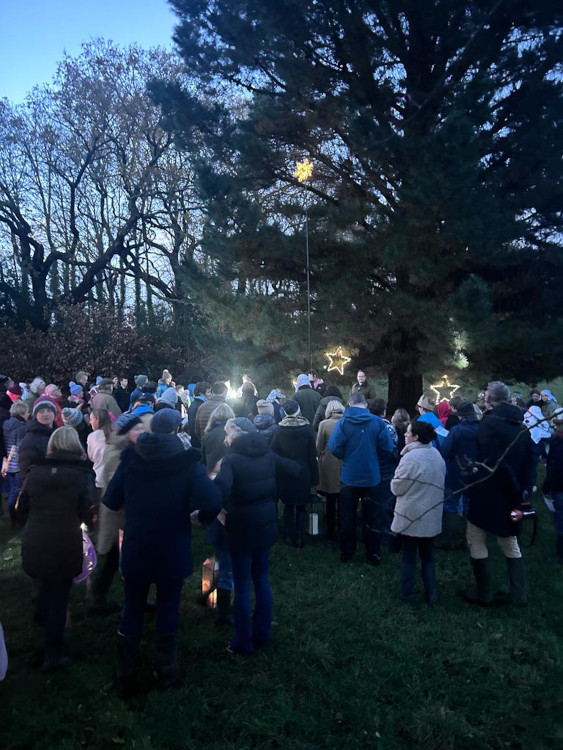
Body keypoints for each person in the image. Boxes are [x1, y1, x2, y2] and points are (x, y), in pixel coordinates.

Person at [103, 408, 222, 691]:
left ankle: (125, 672)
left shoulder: (130, 459)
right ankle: (166, 669)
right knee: (168, 604)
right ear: (176, 428)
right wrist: (199, 518)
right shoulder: (187, 461)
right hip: (172, 543)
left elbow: (111, 500)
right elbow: (213, 500)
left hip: (139, 542)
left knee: (133, 605)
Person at [213, 417, 300, 655]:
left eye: (228, 433)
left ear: (237, 435)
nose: (225, 438)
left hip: (240, 529)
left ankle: (242, 642)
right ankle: (262, 633)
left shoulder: (230, 461)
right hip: (265, 526)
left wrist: (212, 508)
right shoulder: (267, 454)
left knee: (242, 585)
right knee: (261, 579)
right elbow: (294, 469)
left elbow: (219, 492)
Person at [18, 426, 95, 671]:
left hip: (35, 539)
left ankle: (41, 639)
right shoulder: (80, 475)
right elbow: (87, 510)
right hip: (63, 540)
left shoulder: (34, 472)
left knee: (41, 591)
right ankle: (53, 653)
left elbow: (20, 509)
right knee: (59, 597)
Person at [462, 381, 534, 607]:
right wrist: (524, 487)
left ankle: (483, 593)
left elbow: (487, 461)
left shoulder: (489, 424)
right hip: (512, 496)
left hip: (489, 491)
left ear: (489, 399)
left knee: (475, 536)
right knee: (508, 540)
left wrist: (470, 479)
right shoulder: (521, 426)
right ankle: (518, 594)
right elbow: (531, 459)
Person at [89, 413, 149, 614]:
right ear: (125, 432)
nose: (141, 433)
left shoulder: (131, 450)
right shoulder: (117, 454)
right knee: (118, 560)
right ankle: (107, 600)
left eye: (142, 429)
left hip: (123, 516)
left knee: (115, 559)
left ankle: (101, 598)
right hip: (119, 517)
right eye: (137, 429)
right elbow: (121, 489)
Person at [328, 391, 394, 565]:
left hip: (349, 476)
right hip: (372, 475)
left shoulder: (343, 423)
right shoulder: (377, 422)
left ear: (349, 404)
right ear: (365, 404)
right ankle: (373, 553)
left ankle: (347, 552)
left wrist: (346, 455)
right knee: (371, 515)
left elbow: (334, 447)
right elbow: (387, 447)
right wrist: (375, 457)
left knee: (347, 515)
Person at [391, 420, 446, 605]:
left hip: (411, 516)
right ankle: (432, 595)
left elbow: (397, 487)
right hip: (430, 514)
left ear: (416, 437)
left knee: (409, 556)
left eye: (408, 432)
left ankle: (407, 595)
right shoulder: (437, 456)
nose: (404, 435)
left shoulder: (410, 458)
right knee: (428, 555)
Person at [270, 399, 319, 548]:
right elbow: (312, 455)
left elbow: (273, 452)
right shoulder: (308, 429)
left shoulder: (279, 430)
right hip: (304, 471)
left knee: (289, 506)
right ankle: (299, 536)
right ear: (298, 410)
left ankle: (289, 535)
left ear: (285, 412)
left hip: (285, 472)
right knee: (302, 506)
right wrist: (315, 478)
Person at [438, 401, 479, 549]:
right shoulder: (482, 429)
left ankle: (451, 539)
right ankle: (472, 539)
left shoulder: (457, 431)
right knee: (471, 506)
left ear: (460, 416)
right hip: (476, 474)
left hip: (456, 472)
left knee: (450, 505)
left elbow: (445, 451)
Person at [316, 399, 344, 541]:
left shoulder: (324, 424)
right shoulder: (346, 422)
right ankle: (342, 526)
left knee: (330, 497)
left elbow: (319, 446)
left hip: (329, 463)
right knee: (343, 497)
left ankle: (330, 529)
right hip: (345, 462)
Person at [2, 400, 30, 524]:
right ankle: (17, 516)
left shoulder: (6, 424)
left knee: (13, 490)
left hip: (9, 462)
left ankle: (13, 516)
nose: (28, 414)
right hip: (19, 463)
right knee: (18, 491)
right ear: (22, 413)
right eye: (27, 412)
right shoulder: (21, 427)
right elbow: (22, 446)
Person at [18, 399, 57, 480]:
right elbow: (26, 472)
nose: (45, 414)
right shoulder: (30, 440)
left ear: (54, 413)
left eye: (49, 410)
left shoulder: (58, 434)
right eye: (41, 411)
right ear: (35, 415)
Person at [543, 408, 563, 563]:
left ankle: (560, 553)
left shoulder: (559, 442)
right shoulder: (557, 439)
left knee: (561, 518)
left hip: (560, 486)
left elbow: (556, 467)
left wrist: (548, 486)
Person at [87, 409, 113, 512]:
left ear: (97, 419)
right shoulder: (116, 434)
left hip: (99, 478)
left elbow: (91, 457)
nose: (90, 422)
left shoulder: (93, 437)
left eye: (91, 419)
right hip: (114, 478)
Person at [202, 403, 235, 476]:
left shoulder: (207, 435)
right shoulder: (234, 434)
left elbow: (203, 459)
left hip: (212, 474)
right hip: (230, 474)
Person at [186, 381, 212, 449]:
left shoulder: (193, 404)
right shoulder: (203, 406)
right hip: (201, 442)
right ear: (201, 393)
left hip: (194, 441)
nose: (211, 394)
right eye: (208, 392)